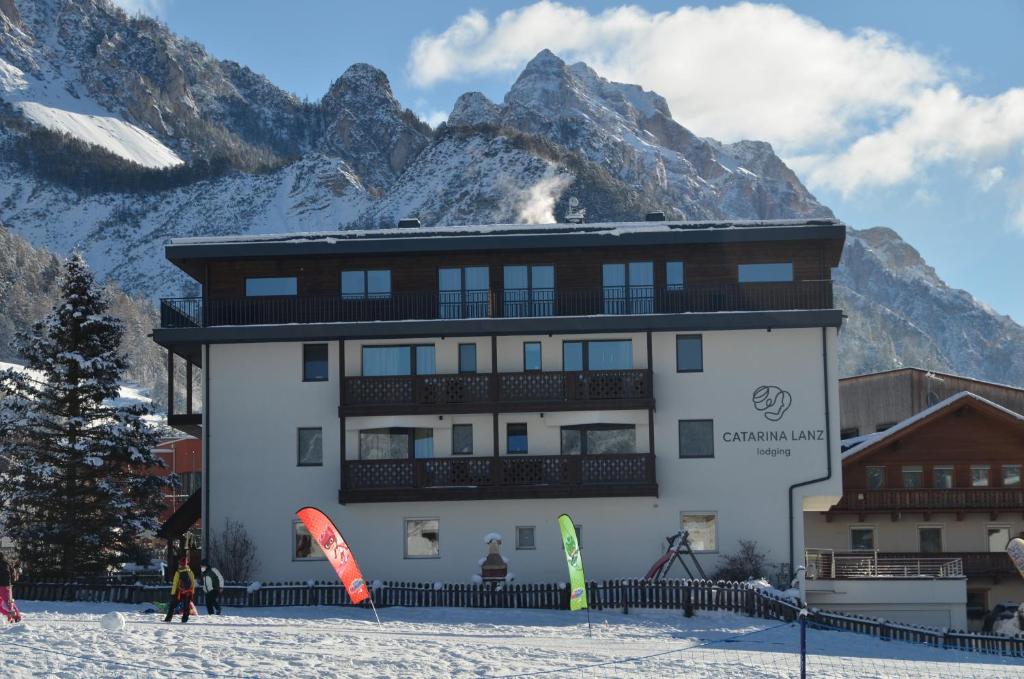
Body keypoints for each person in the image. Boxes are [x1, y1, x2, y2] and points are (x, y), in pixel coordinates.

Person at [164, 556, 196, 623]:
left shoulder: (178, 572)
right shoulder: (190, 572)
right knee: (186, 607)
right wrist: (192, 592)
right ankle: (184, 620)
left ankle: (168, 619)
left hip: (179, 593)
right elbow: (193, 582)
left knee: (172, 606)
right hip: (188, 592)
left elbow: (175, 583)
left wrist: (172, 593)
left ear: (180, 564)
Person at [0, 552, 21, 623]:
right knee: (8, 602)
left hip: (3, 585)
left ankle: (13, 616)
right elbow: (13, 574)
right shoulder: (7, 563)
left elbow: (8, 573)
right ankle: (14, 616)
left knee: (6, 602)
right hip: (7, 585)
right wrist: (10, 583)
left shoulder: (4, 564)